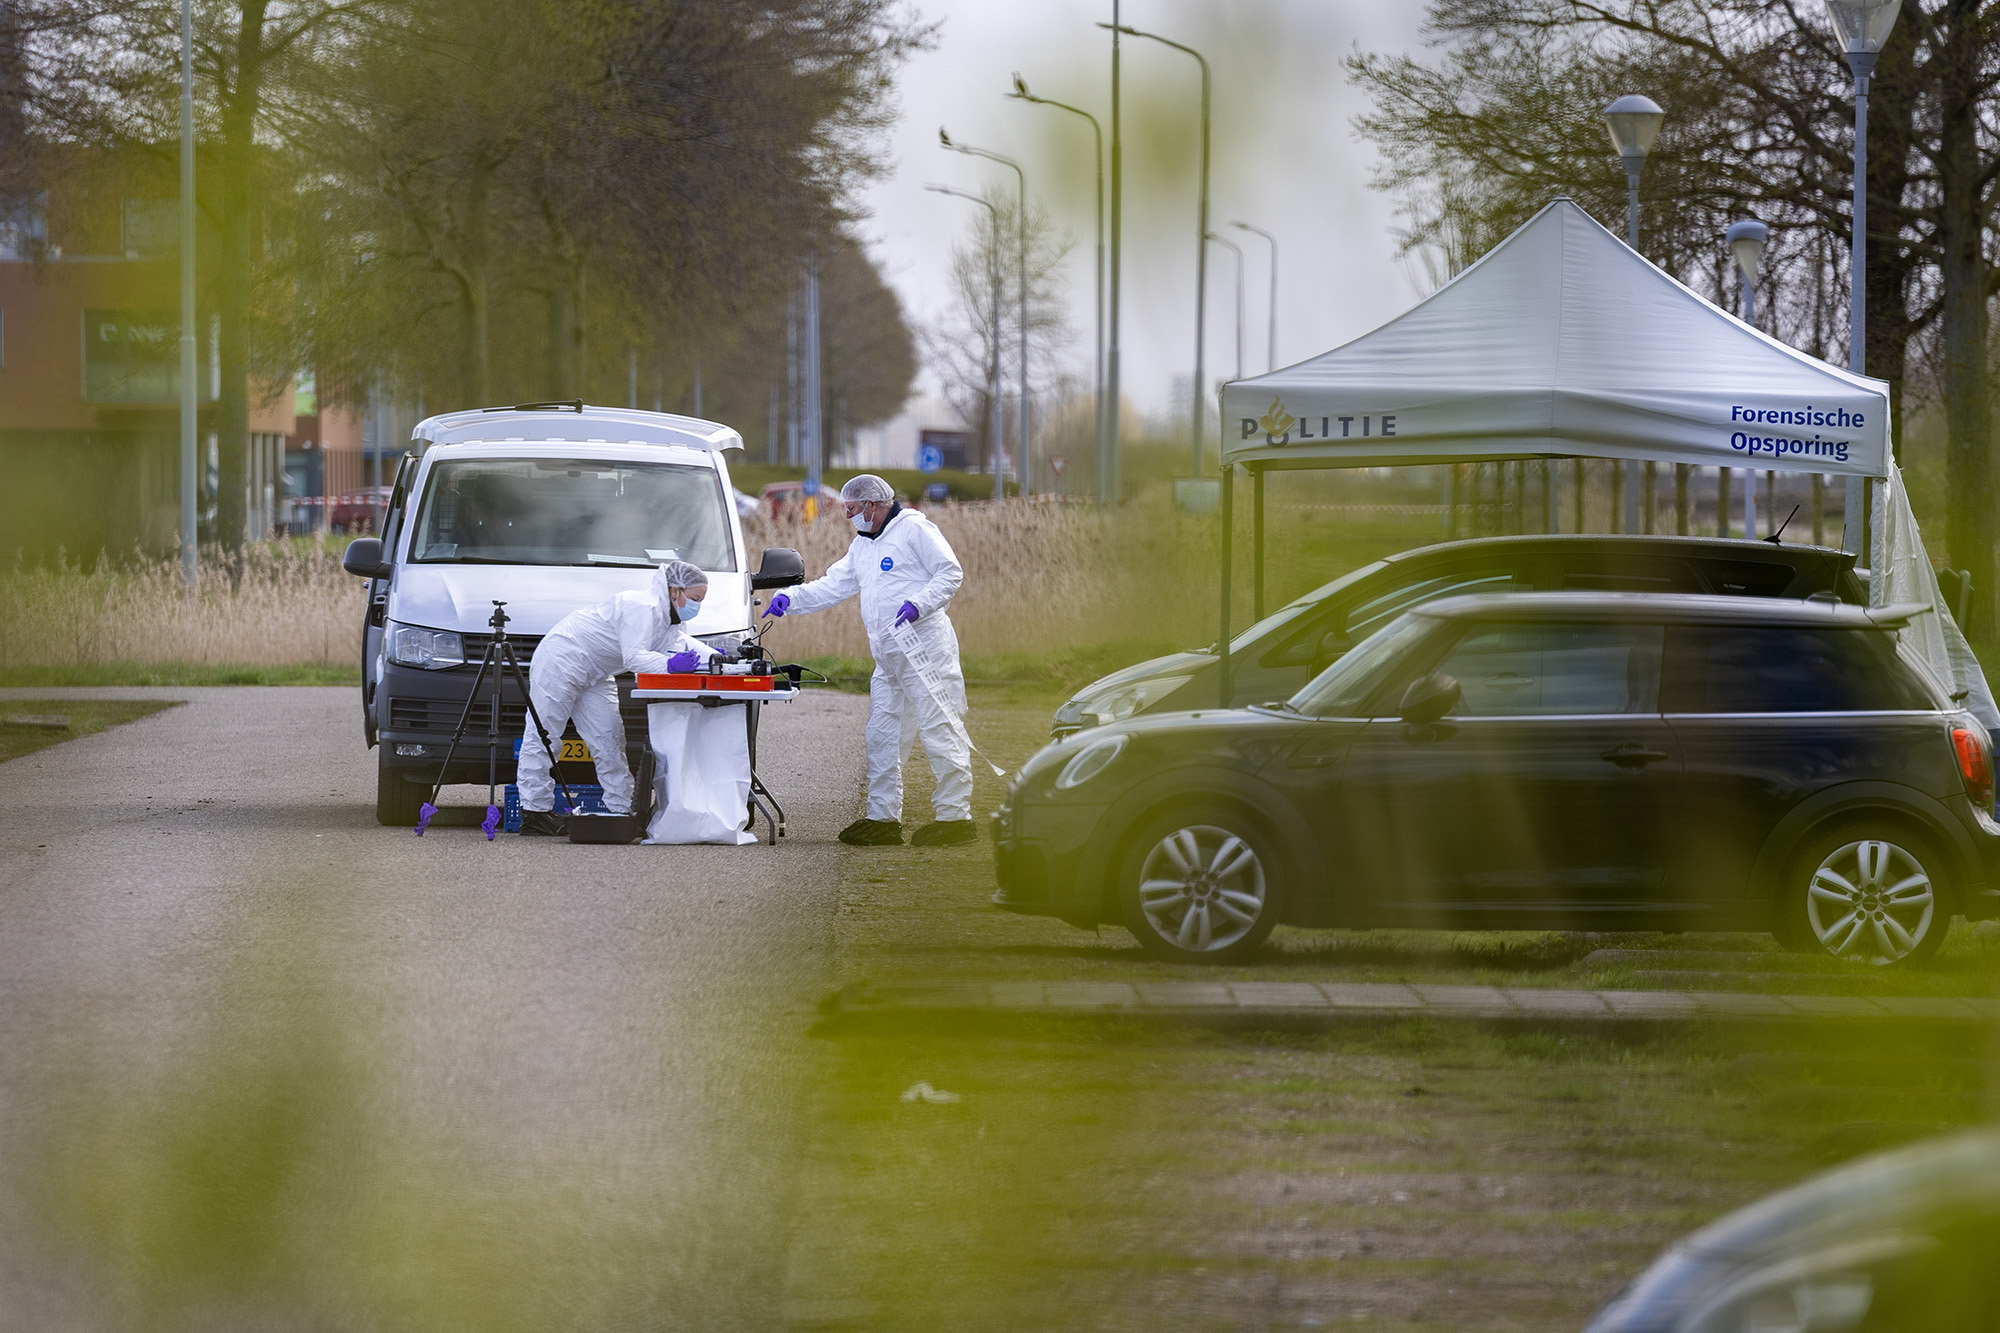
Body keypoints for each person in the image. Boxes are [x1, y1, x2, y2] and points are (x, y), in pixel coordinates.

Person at [762, 473, 976, 846]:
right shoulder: (864, 545)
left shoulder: (914, 530)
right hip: (889, 659)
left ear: (873, 505)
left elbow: (949, 572)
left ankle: (956, 817)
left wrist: (919, 604)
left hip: (925, 652)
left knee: (940, 729)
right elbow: (835, 584)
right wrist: (790, 599)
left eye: (852, 509)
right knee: (882, 736)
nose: (847, 516)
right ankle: (882, 817)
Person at [515, 560, 717, 836]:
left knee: (609, 739)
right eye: (694, 598)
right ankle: (534, 812)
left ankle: (623, 812)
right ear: (675, 591)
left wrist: (715, 659)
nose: (697, 606)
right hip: (563, 656)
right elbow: (635, 657)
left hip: (597, 672)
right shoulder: (641, 607)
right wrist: (671, 665)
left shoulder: (672, 624)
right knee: (544, 734)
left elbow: (678, 651)